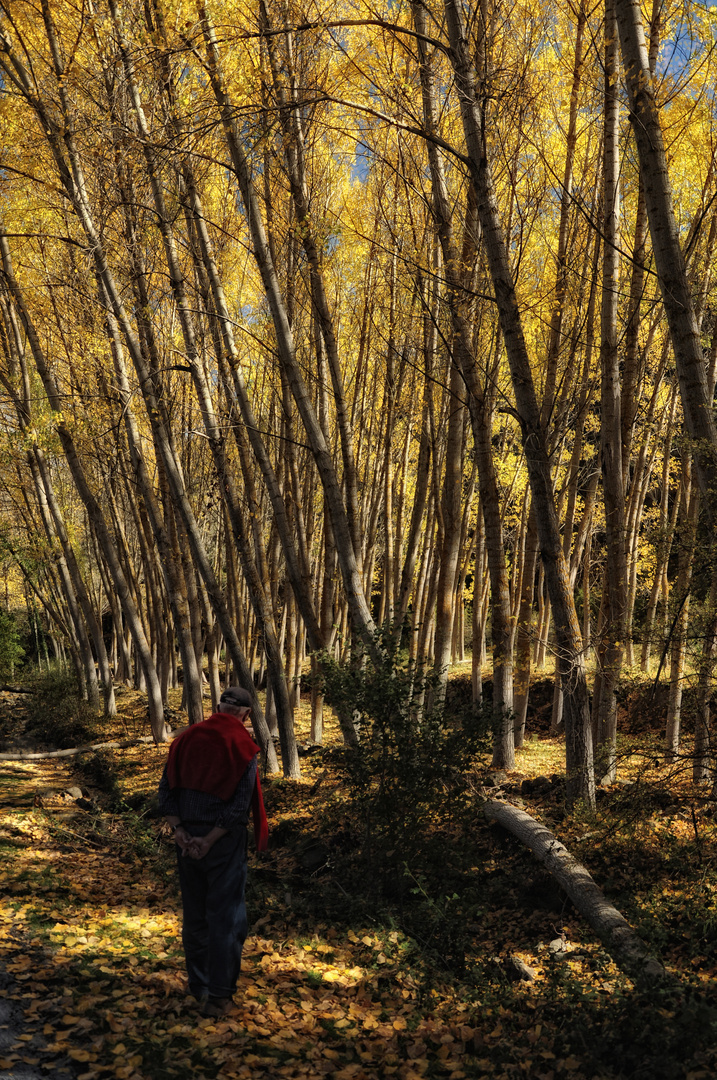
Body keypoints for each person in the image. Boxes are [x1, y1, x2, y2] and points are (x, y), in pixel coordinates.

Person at [158, 686, 269, 1018]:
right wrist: (208, 840)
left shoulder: (185, 740)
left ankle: (199, 987)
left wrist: (181, 832)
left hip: (186, 838)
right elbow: (239, 805)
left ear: (218, 707)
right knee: (227, 917)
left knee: (195, 915)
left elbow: (166, 791)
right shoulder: (242, 747)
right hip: (221, 842)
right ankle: (219, 997)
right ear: (245, 715)